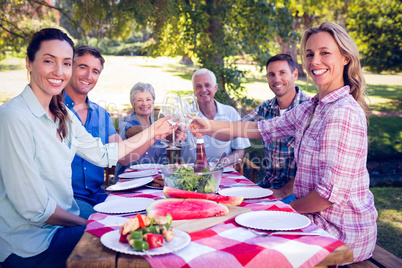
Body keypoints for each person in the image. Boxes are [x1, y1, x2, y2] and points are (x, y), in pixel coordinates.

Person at [189, 22, 377, 263]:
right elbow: (261, 127)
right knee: (234, 230)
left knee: (246, 247)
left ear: (345, 58)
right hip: (312, 219)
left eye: (325, 52)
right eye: (309, 54)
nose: (315, 61)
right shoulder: (312, 108)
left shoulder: (343, 113)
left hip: (340, 233)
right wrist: (209, 125)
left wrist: (283, 211)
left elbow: (328, 195)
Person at [0, 28, 172, 267]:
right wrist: (92, 223)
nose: (59, 72)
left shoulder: (62, 115)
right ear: (29, 62)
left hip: (60, 225)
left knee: (144, 222)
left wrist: (155, 130)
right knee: (131, 246)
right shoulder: (13, 117)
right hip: (31, 244)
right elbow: (35, 209)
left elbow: (104, 154)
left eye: (66, 63)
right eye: (49, 61)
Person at [242, 54, 310, 203]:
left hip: (297, 193)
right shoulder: (266, 108)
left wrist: (281, 192)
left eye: (282, 73)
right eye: (271, 74)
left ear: (295, 75)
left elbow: (313, 171)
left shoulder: (310, 109)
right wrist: (201, 126)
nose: (276, 79)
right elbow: (237, 129)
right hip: (269, 185)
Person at [63, 46, 122, 219]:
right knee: (105, 222)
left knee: (134, 212)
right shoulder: (54, 110)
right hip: (68, 200)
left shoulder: (101, 114)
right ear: (70, 67)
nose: (89, 76)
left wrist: (157, 135)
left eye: (95, 71)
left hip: (98, 194)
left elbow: (124, 155)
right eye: (83, 67)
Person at [181, 68, 250, 165]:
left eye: (207, 85)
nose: (203, 90)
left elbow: (239, 150)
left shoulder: (231, 113)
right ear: (194, 90)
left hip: (222, 170)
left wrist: (225, 161)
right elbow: (173, 142)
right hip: (191, 172)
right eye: (198, 86)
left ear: (215, 88)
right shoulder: (185, 114)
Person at [116, 82, 167, 177]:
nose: (145, 104)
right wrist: (155, 130)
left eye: (148, 99)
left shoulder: (158, 126)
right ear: (133, 104)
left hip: (154, 180)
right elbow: (131, 132)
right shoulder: (124, 122)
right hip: (129, 181)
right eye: (140, 100)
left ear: (153, 102)